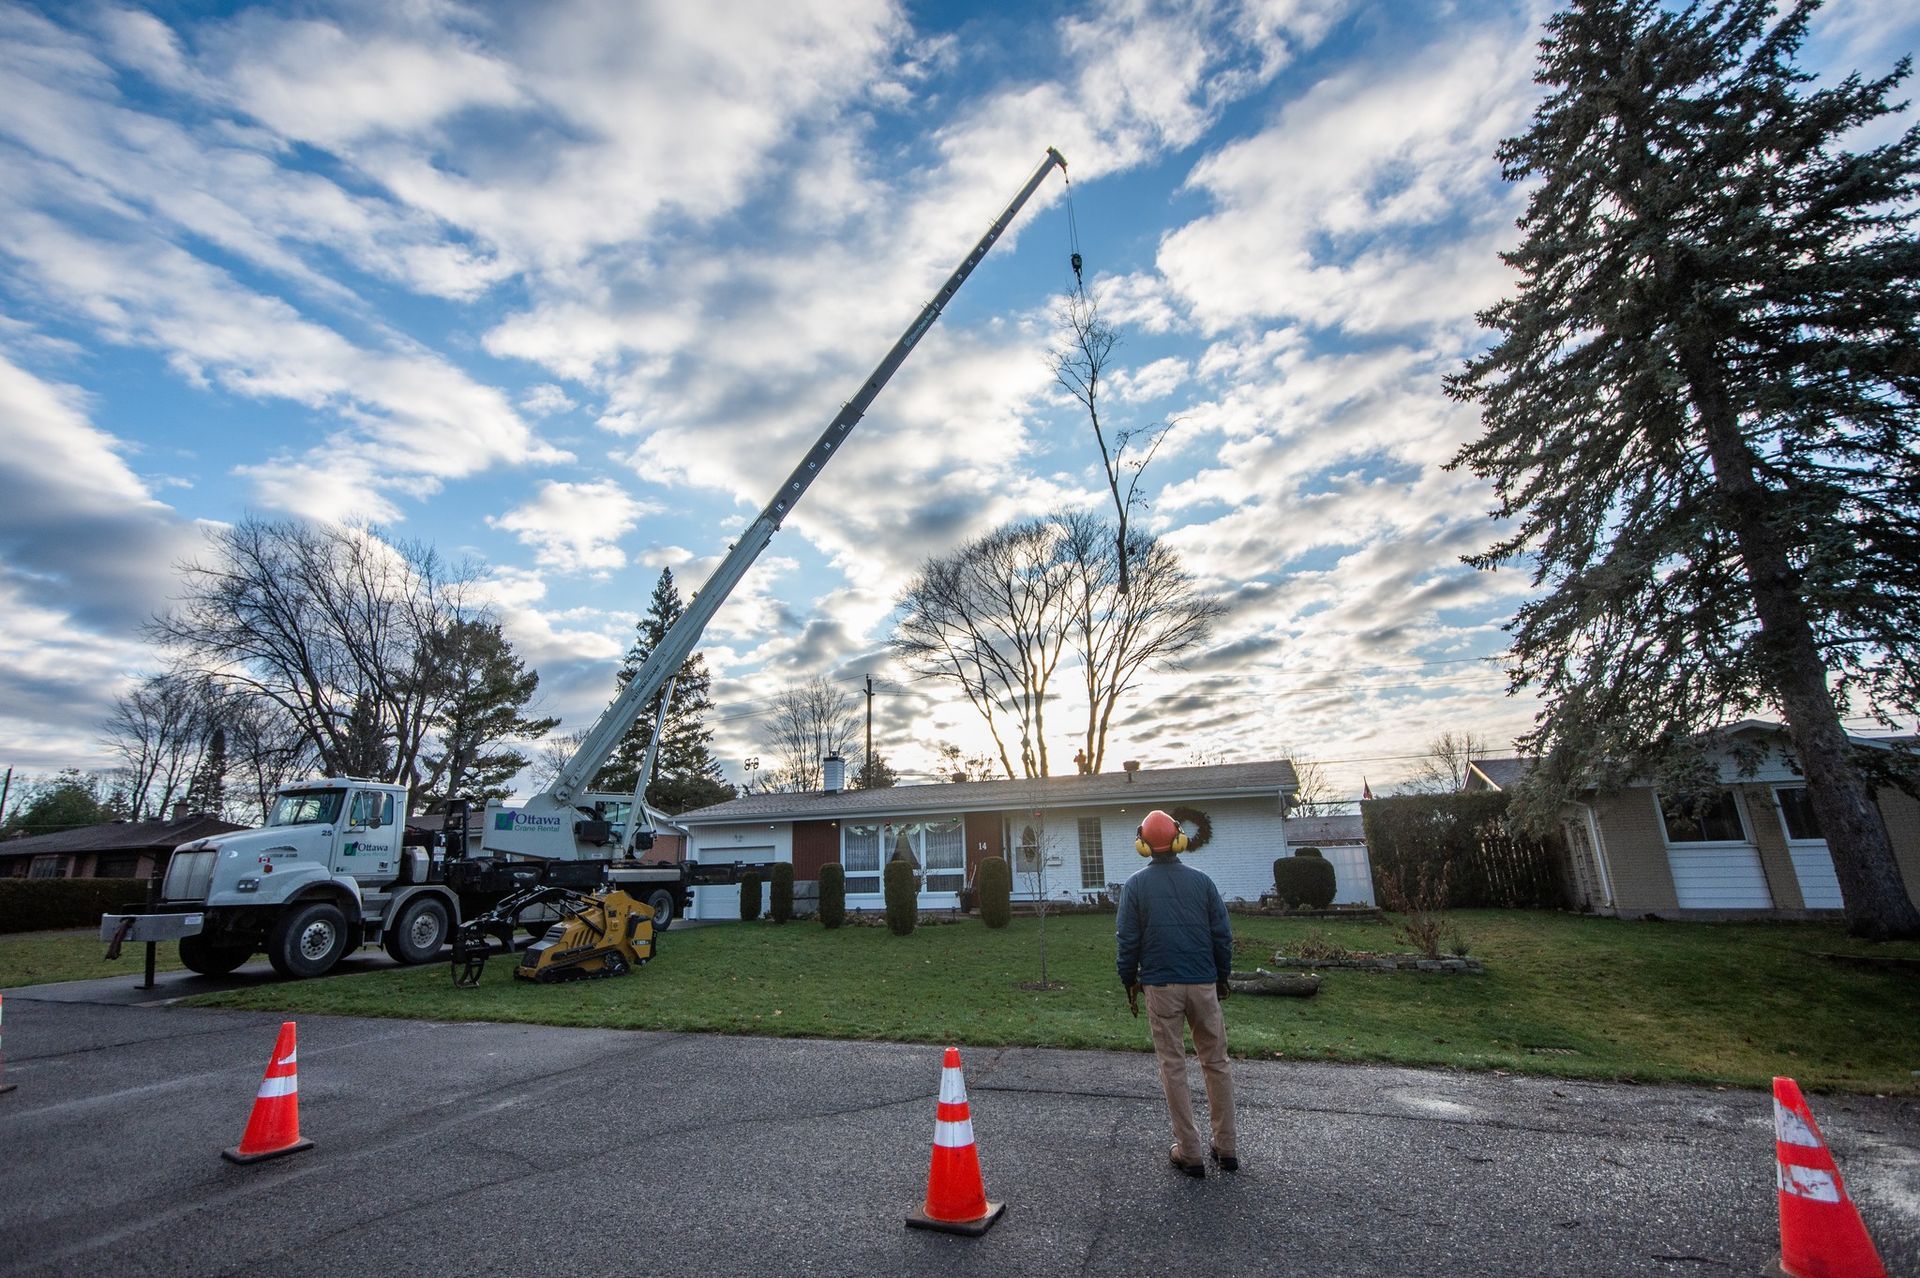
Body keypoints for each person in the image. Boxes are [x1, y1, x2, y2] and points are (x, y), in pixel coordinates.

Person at [1115, 808, 1238, 1178]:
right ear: (1179, 839)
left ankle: (1190, 1151)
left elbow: (1127, 942)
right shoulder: (1202, 882)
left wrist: (1128, 981)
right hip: (1203, 984)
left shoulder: (1135, 886)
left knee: (1173, 1065)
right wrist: (1221, 977)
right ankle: (1227, 1147)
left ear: (1143, 845)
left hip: (1161, 987)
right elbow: (1223, 936)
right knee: (1216, 1063)